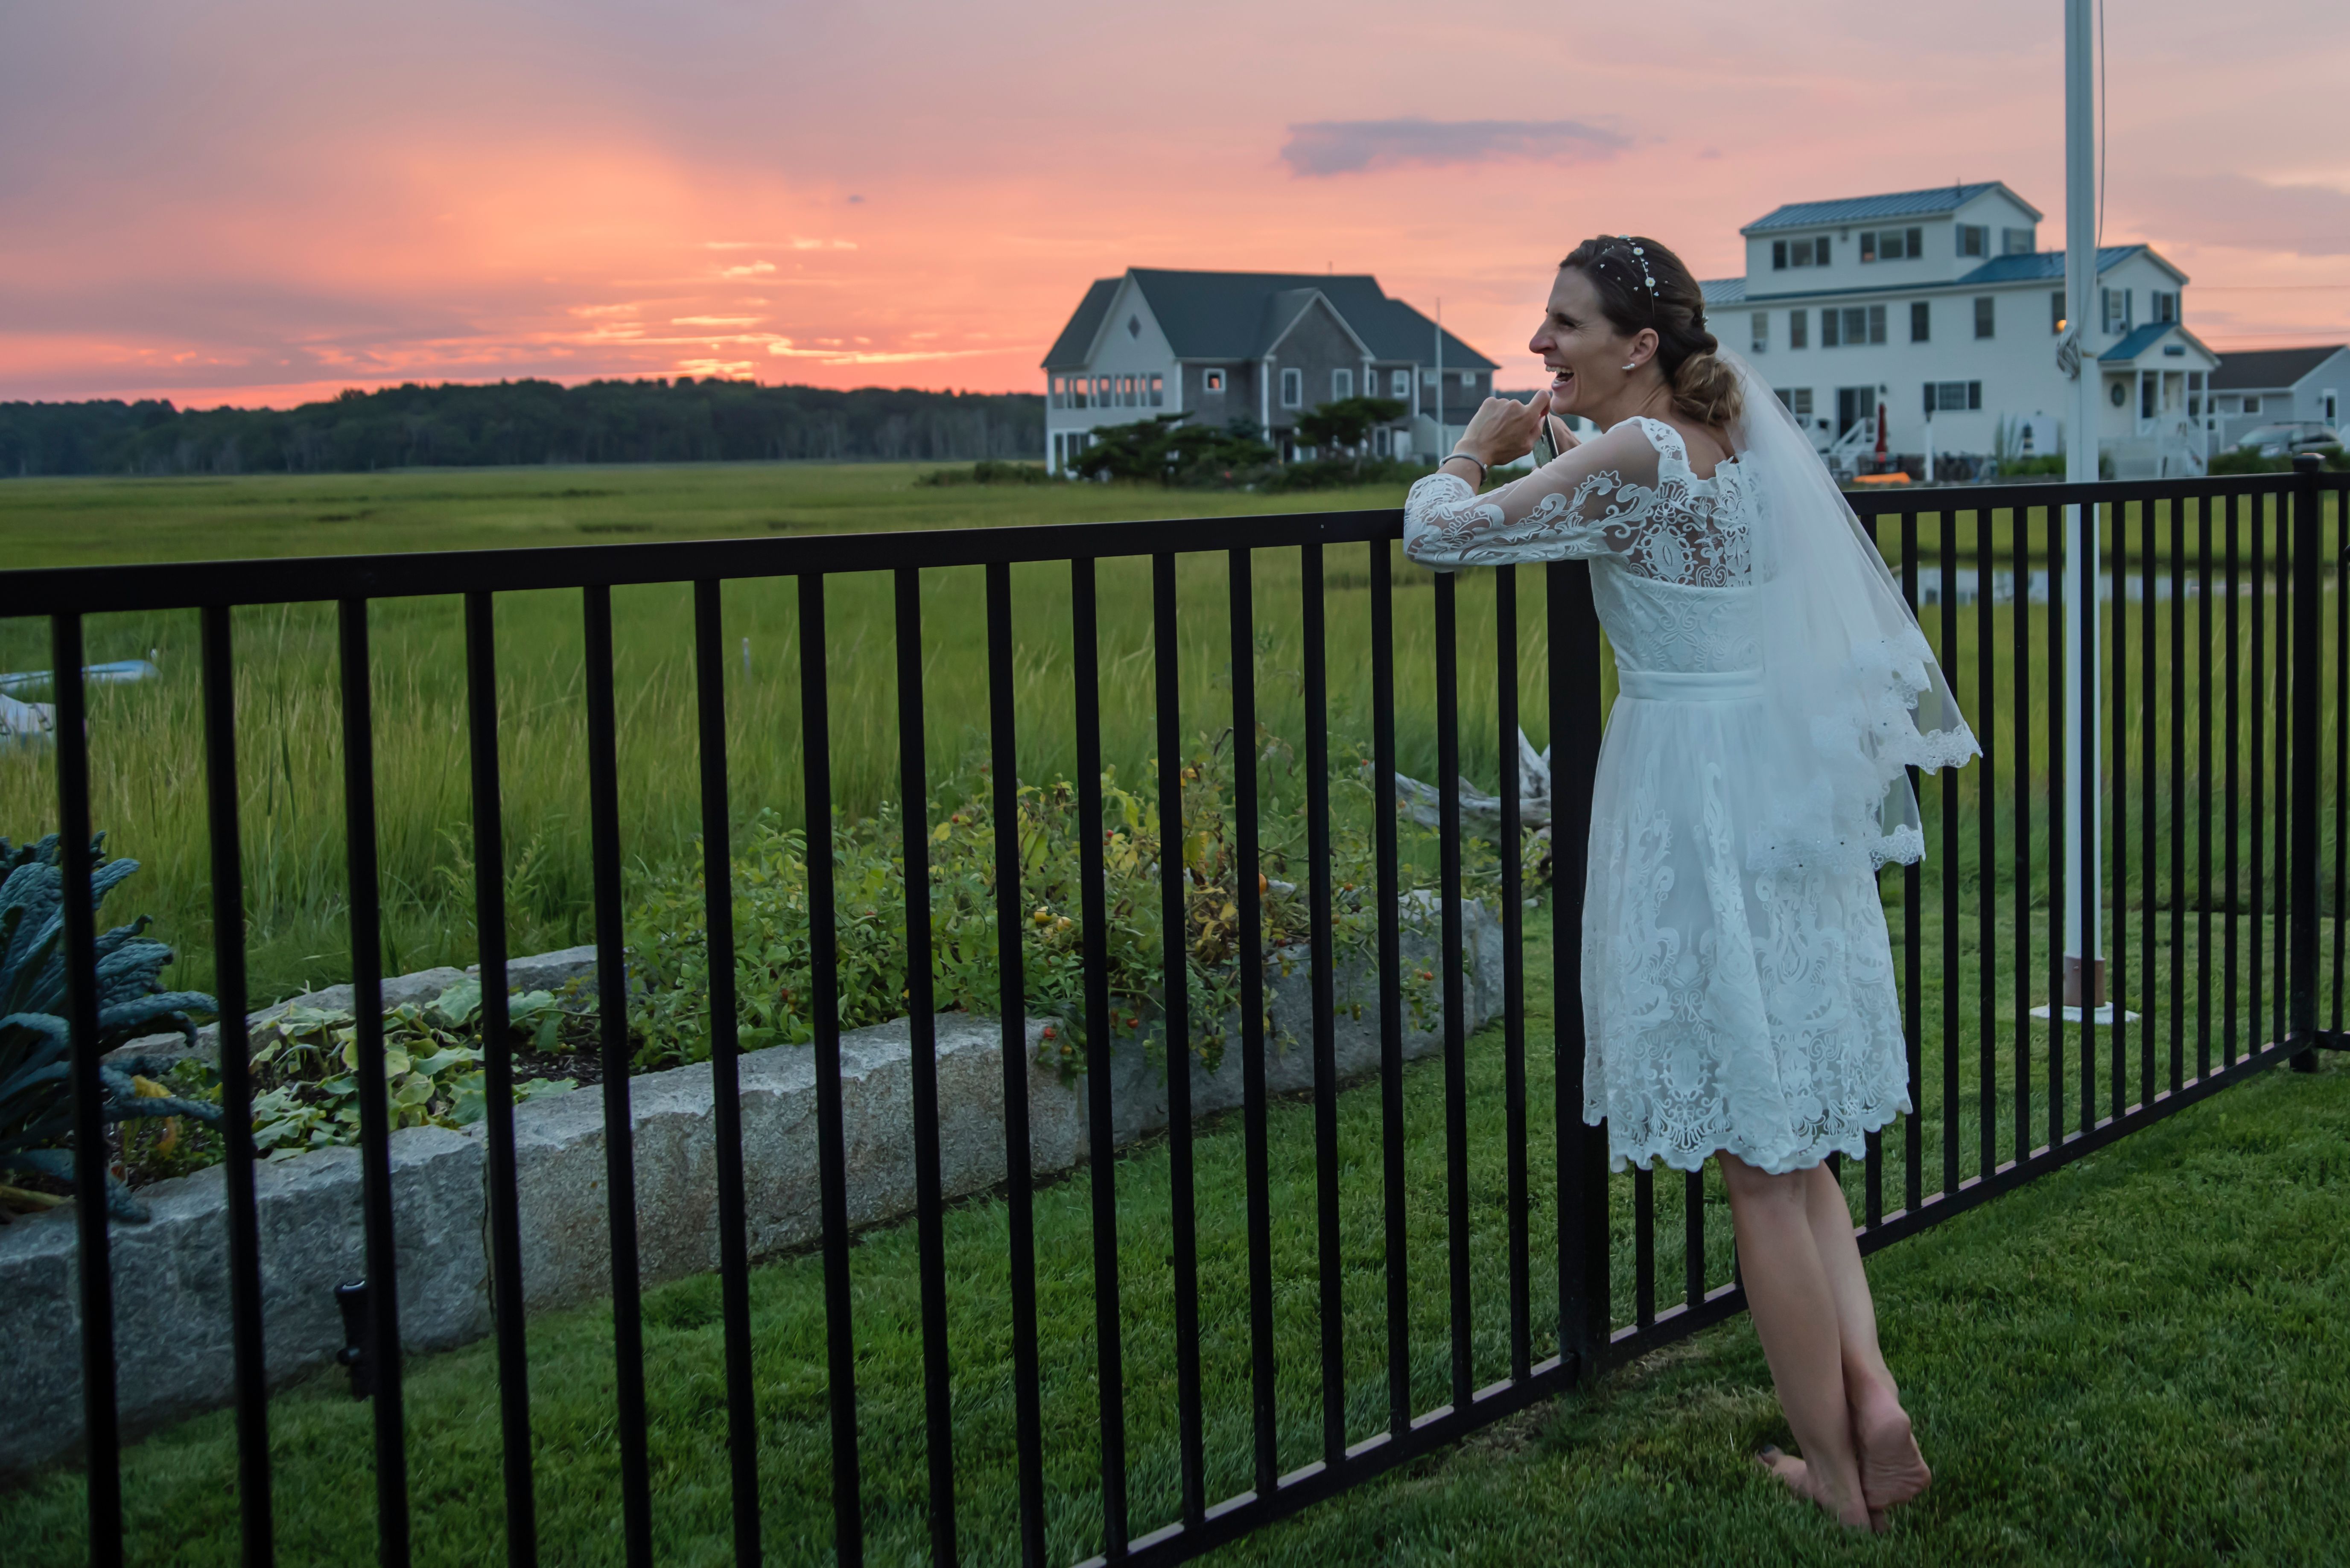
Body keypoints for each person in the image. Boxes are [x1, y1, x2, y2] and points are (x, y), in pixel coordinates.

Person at [1402, 235, 1980, 1532]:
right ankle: (1873, 1400)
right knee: (1796, 1146)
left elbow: (1438, 540)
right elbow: (1625, 531)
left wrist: (1474, 451)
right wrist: (1555, 453)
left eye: (1564, 323)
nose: (1541, 344)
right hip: (1774, 782)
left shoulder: (1633, 455)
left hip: (1687, 787)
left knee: (1756, 1163)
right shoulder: (1740, 448)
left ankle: (1837, 1479)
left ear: (1640, 344)